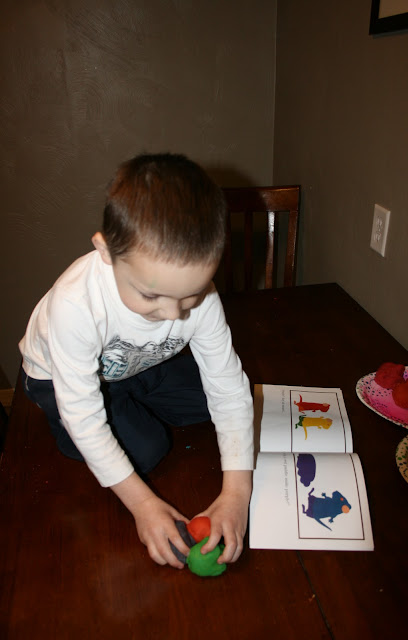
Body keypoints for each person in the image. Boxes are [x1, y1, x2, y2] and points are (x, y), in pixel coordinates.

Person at [19, 153, 254, 569]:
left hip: (136, 364)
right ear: (106, 251)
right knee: (147, 449)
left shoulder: (196, 300)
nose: (173, 314)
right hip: (57, 380)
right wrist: (143, 505)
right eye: (151, 295)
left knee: (218, 401)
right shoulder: (75, 304)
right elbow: (85, 416)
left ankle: (131, 400)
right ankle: (66, 424)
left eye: (191, 295)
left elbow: (228, 390)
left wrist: (237, 494)